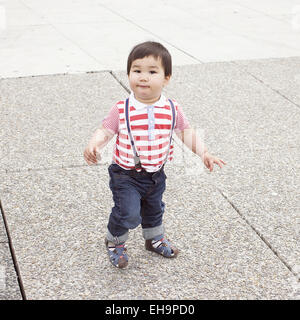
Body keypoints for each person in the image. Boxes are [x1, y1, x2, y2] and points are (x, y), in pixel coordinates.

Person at [84, 41, 226, 268]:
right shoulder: (122, 108)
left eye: (152, 72)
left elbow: (186, 132)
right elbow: (105, 130)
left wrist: (204, 153)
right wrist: (94, 145)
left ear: (166, 78)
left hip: (156, 174)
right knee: (128, 213)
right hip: (125, 175)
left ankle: (154, 239)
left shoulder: (171, 108)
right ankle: (115, 241)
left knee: (154, 208)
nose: (143, 77)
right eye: (136, 70)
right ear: (129, 73)